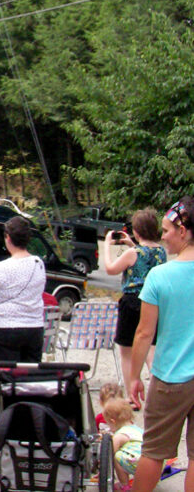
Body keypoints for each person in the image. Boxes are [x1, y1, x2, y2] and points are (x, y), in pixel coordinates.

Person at [129, 196, 194, 492]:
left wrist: (134, 376)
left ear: (184, 230)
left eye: (167, 230)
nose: (163, 235)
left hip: (171, 377)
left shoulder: (160, 276)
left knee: (153, 451)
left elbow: (144, 333)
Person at [104, 209, 166, 394]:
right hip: (154, 302)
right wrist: (132, 243)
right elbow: (145, 260)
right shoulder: (160, 251)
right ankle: (156, 388)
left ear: (136, 231)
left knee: (127, 350)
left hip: (132, 302)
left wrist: (107, 245)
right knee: (151, 348)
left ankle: (132, 391)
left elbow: (110, 269)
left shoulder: (133, 253)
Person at [0, 216, 46, 362]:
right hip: (34, 326)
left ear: (8, 238)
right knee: (29, 377)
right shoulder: (39, 263)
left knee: (4, 375)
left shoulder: (1, 267)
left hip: (5, 326)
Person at [103, 398, 143, 492]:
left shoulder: (120, 434)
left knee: (117, 457)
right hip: (149, 461)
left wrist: (102, 468)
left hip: (137, 462)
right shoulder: (137, 429)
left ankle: (124, 485)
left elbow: (109, 454)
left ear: (113, 422)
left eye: (108, 424)